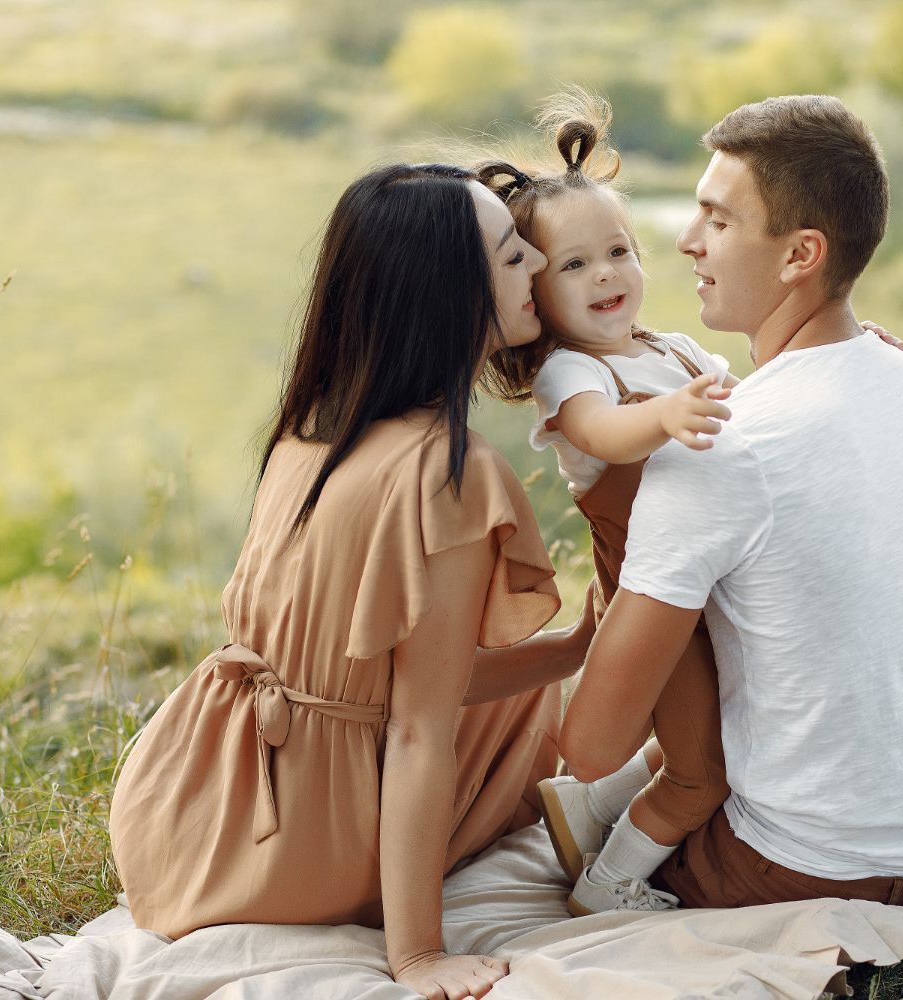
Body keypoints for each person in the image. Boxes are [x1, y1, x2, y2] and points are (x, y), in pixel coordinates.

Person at [109, 163, 595, 1000]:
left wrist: (573, 650)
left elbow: (378, 678)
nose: (541, 270)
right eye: (514, 257)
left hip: (179, 800)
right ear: (449, 290)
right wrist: (418, 957)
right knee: (499, 720)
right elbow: (415, 730)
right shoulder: (448, 471)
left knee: (521, 688)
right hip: (287, 845)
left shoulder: (311, 426)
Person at [554, 95, 903, 910]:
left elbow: (591, 742)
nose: (687, 241)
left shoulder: (718, 447)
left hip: (811, 864)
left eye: (719, 220)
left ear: (800, 255)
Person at [475, 92, 735, 917]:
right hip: (651, 602)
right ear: (534, 295)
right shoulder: (571, 373)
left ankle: (588, 807)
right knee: (700, 772)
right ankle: (609, 882)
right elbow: (606, 433)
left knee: (712, 726)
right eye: (574, 266)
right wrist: (664, 416)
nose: (607, 275)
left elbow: (758, 407)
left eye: (618, 250)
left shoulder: (674, 349)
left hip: (707, 584)